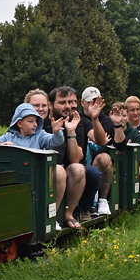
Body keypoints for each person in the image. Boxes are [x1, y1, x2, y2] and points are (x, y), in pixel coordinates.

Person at [44, 86, 98, 228]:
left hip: (65, 168)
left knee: (78, 169)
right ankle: (51, 218)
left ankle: (69, 214)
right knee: (57, 170)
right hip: (46, 167)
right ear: (51, 105)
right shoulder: (40, 122)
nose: (67, 106)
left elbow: (75, 159)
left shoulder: (75, 121)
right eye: (62, 103)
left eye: (69, 102)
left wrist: (71, 131)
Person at [80, 86, 116, 215]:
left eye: (96, 101)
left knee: (103, 160)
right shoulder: (78, 119)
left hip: (99, 163)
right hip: (81, 161)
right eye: (90, 102)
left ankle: (102, 201)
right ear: (82, 102)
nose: (93, 105)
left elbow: (105, 143)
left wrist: (118, 126)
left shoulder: (107, 122)